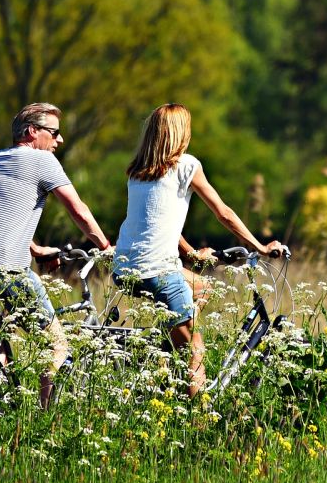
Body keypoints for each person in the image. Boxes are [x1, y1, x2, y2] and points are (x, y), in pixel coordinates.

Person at [114, 103, 284, 398]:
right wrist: (261, 247)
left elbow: (157, 222)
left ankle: (167, 353)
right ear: (181, 133)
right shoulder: (187, 165)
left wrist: (190, 253)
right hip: (158, 269)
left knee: (202, 287)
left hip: (124, 266)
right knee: (196, 351)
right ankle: (197, 418)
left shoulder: (138, 172)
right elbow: (223, 213)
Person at [0, 102, 113, 407]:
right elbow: (78, 210)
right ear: (31, 132)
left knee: (4, 336)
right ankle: (44, 418)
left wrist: (36, 249)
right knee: (57, 346)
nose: (59, 140)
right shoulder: (42, 160)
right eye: (54, 132)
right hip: (2, 267)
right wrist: (105, 247)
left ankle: (1, 401)